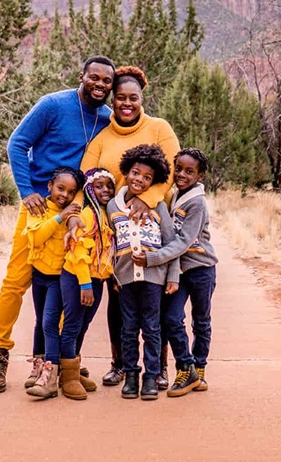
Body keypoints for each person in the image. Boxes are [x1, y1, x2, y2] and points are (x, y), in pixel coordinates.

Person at [0, 56, 115, 393]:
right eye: (94, 77)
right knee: (17, 280)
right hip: (40, 206)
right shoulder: (53, 105)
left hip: (76, 213)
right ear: (81, 76)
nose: (100, 85)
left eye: (107, 81)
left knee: (63, 287)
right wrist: (26, 191)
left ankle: (54, 360)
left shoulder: (106, 118)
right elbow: (17, 143)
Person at [74, 66, 180, 387]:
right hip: (115, 231)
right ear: (112, 99)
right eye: (120, 98)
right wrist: (82, 215)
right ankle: (120, 364)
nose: (127, 104)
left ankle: (159, 368)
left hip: (153, 226)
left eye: (133, 98)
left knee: (155, 303)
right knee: (119, 301)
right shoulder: (101, 139)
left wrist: (147, 199)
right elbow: (85, 179)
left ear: (142, 97)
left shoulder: (159, 128)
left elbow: (172, 171)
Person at [134, 148, 217, 396]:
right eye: (178, 169)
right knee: (171, 318)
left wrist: (152, 259)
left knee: (201, 321)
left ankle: (199, 369)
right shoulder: (172, 195)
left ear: (200, 176)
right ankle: (186, 367)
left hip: (201, 269)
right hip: (180, 270)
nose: (182, 174)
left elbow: (181, 242)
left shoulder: (197, 203)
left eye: (189, 171)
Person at [108, 144, 180, 401]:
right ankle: (131, 376)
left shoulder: (158, 206)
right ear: (127, 172)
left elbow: (171, 242)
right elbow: (111, 244)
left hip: (154, 279)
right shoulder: (113, 206)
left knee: (151, 328)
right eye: (136, 173)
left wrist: (173, 275)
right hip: (125, 279)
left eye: (147, 177)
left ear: (154, 181)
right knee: (128, 329)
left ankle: (151, 375)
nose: (140, 179)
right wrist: (114, 275)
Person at [24, 167, 85, 400]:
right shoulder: (39, 208)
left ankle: (50, 377)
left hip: (59, 278)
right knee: (40, 321)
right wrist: (60, 216)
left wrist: (68, 215)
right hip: (39, 273)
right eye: (60, 188)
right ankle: (39, 366)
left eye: (71, 192)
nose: (65, 195)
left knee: (50, 322)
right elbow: (37, 237)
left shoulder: (73, 215)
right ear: (49, 186)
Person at [57, 168, 116, 400]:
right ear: (89, 189)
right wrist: (84, 285)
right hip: (78, 278)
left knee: (83, 325)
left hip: (97, 280)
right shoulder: (88, 215)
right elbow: (78, 249)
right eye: (99, 186)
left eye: (109, 186)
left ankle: (72, 368)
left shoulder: (104, 214)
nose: (105, 190)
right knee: (72, 325)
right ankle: (68, 379)